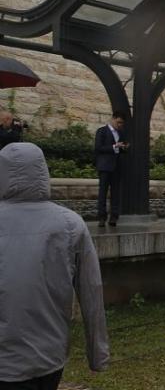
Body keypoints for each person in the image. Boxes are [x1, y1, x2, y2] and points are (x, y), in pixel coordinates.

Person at [0, 142, 109, 387]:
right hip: (49, 357)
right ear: (43, 172)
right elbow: (92, 292)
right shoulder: (70, 225)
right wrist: (97, 355)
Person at [94, 110, 128, 227]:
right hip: (104, 166)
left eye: (122, 123)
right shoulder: (102, 131)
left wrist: (124, 148)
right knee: (102, 192)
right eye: (118, 122)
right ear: (113, 119)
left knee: (116, 193)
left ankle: (114, 216)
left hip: (117, 167)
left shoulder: (121, 133)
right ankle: (102, 217)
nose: (120, 125)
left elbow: (122, 150)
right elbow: (98, 148)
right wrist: (114, 146)